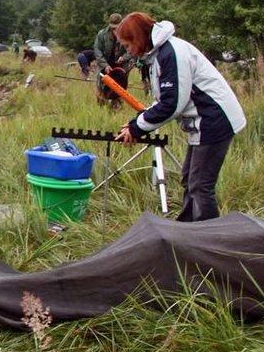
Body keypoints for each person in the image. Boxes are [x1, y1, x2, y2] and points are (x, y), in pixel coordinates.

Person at [114, 12, 246, 222]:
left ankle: (209, 241)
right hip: (202, 120)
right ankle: (187, 229)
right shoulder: (159, 54)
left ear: (138, 38)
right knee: (189, 178)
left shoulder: (171, 53)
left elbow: (172, 104)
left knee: (200, 185)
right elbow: (164, 99)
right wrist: (135, 123)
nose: (127, 50)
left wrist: (138, 128)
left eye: (128, 45)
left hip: (214, 119)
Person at [93, 13, 133, 107]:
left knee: (119, 89)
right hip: (105, 65)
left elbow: (132, 49)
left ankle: (116, 107)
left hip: (121, 67)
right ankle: (102, 107)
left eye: (117, 27)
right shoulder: (102, 34)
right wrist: (105, 65)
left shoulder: (128, 34)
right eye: (113, 28)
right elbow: (97, 50)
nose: (115, 30)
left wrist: (124, 57)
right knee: (101, 87)